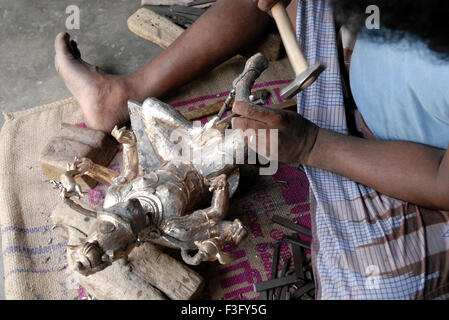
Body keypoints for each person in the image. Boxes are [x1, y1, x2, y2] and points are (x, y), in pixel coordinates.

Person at [55, 0, 449, 299]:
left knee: (373, 288)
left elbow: (215, 216)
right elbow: (134, 175)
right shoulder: (130, 204)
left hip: (419, 167)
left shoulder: (170, 222)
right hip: (376, 49)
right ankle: (121, 95)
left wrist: (315, 145)